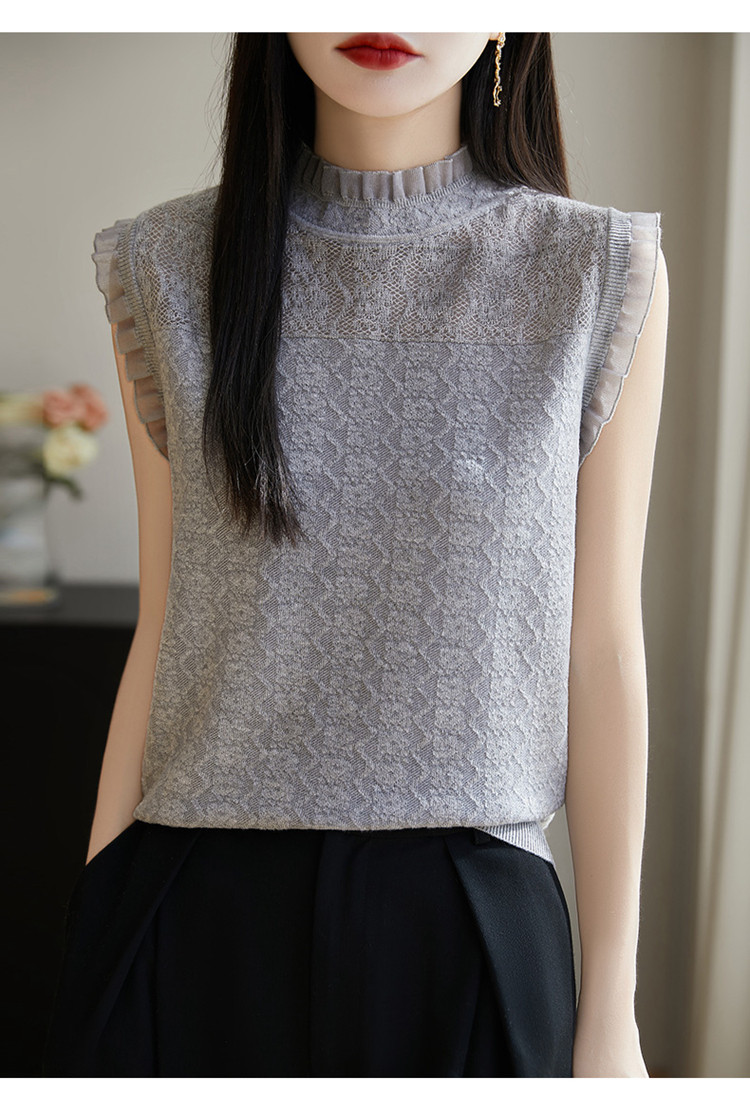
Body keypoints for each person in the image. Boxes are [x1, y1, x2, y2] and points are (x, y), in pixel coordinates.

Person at [42, 32, 668, 1078]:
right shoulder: (163, 266)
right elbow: (166, 625)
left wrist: (612, 1007)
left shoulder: (594, 273)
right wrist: (95, 933)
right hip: (190, 908)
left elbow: (601, 648)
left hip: (470, 924)